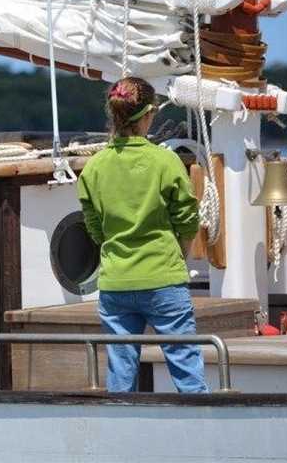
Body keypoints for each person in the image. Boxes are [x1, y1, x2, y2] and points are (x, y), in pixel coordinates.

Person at [76, 76, 208, 393]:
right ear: (149, 114)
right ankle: (202, 434)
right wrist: (181, 251)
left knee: (120, 374)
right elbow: (187, 217)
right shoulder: (165, 161)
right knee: (187, 370)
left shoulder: (94, 167)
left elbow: (95, 228)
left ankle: (120, 436)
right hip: (163, 278)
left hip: (116, 282)